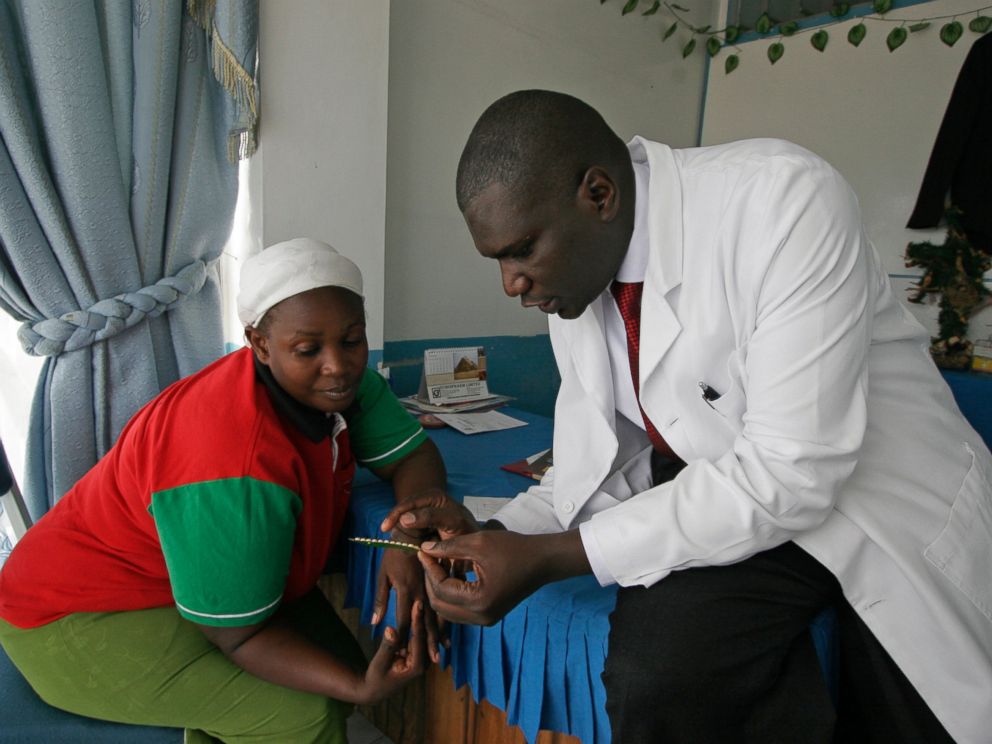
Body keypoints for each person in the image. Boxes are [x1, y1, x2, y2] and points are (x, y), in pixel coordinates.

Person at [382, 90, 992, 743]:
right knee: (661, 675)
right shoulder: (577, 283)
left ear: (598, 194)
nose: (511, 283)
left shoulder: (783, 203)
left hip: (875, 505)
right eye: (499, 259)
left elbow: (793, 470)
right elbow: (597, 467)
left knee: (912, 719)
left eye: (521, 249)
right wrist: (483, 536)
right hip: (744, 505)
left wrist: (554, 556)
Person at [0, 238, 448, 743]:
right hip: (74, 617)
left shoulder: (339, 387)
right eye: (308, 349)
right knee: (302, 713)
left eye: (352, 340)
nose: (338, 365)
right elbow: (238, 635)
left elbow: (414, 457)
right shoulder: (232, 462)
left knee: (336, 668)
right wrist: (357, 687)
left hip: (168, 581)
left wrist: (405, 534)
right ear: (258, 344)